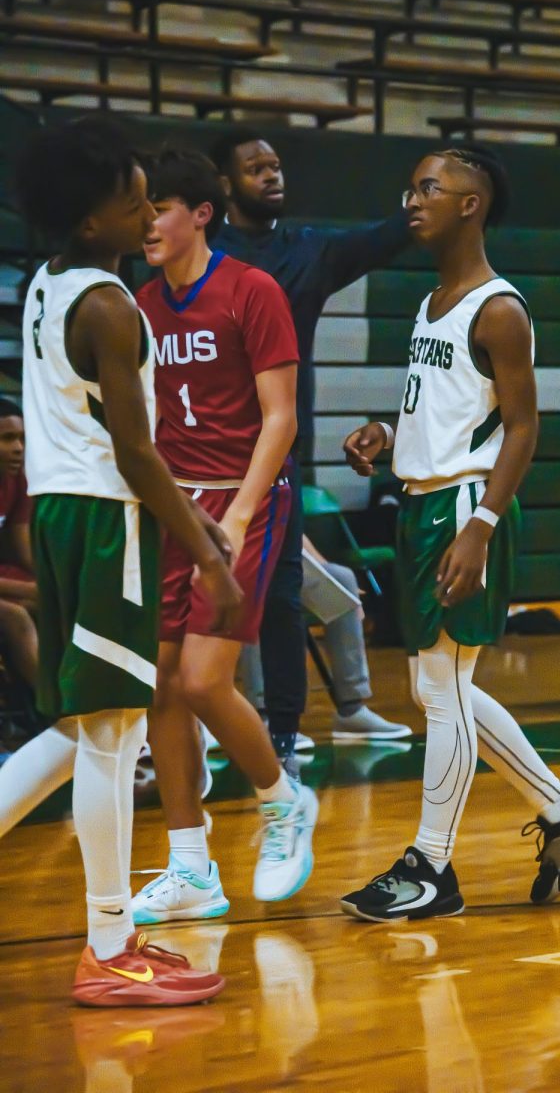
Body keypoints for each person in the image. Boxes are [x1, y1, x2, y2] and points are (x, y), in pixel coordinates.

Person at [339, 145, 560, 921]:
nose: (412, 198)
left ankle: (431, 866)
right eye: (410, 185)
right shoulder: (432, 302)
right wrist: (385, 436)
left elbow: (522, 429)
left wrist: (482, 525)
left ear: (471, 204)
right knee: (441, 687)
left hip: (465, 507)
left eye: (429, 186)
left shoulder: (500, 307)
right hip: (420, 504)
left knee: (443, 687)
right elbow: (451, 409)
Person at [0, 116, 240, 1003]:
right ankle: (109, 948)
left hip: (64, 512)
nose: (148, 212)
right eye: (132, 200)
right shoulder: (111, 304)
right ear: (90, 216)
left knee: (76, 732)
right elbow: (136, 454)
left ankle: (114, 941)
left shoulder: (49, 281)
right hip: (106, 521)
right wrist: (204, 553)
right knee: (111, 735)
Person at [132, 149, 316, 924]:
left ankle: (284, 804)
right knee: (161, 686)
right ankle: (190, 868)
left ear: (201, 213)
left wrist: (238, 513)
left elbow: (282, 417)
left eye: (160, 209)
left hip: (243, 498)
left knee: (207, 680)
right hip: (173, 505)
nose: (147, 224)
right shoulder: (139, 303)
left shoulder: (252, 289)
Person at [210, 129, 410, 764]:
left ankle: (283, 736)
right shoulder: (204, 257)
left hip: (278, 458)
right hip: (206, 456)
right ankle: (204, 719)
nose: (272, 175)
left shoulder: (309, 252)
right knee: (210, 593)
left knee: (283, 596)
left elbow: (383, 237)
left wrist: (424, 202)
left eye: (276, 165)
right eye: (255, 168)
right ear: (223, 185)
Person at [301, 534, 412, 741]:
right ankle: (266, 716)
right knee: (259, 587)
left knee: (342, 578)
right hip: (241, 561)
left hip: (280, 558)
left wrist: (331, 581)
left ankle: (351, 709)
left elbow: (293, 531)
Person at [0, 398, 37, 692]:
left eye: (22, 438)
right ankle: (63, 714)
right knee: (16, 615)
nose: (18, 448)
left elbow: (24, 549)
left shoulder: (16, 480)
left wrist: (58, 581)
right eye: (7, 438)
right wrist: (31, 589)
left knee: (56, 604)